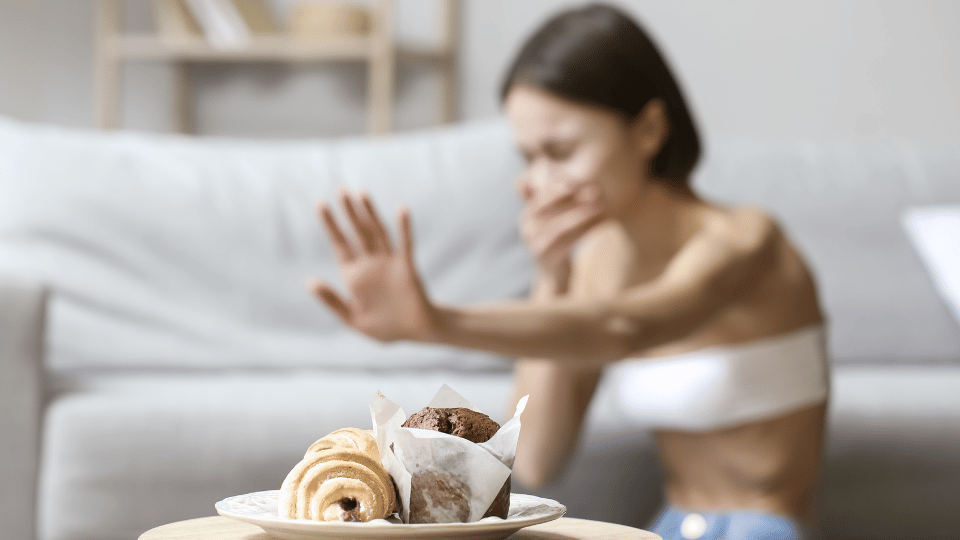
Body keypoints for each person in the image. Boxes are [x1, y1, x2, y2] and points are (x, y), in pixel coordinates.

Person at [308, 4, 828, 539]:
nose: (536, 182)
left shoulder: (744, 240)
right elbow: (536, 457)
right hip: (671, 525)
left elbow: (621, 328)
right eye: (527, 157)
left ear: (649, 129)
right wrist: (551, 276)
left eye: (560, 151)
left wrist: (435, 321)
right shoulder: (602, 258)